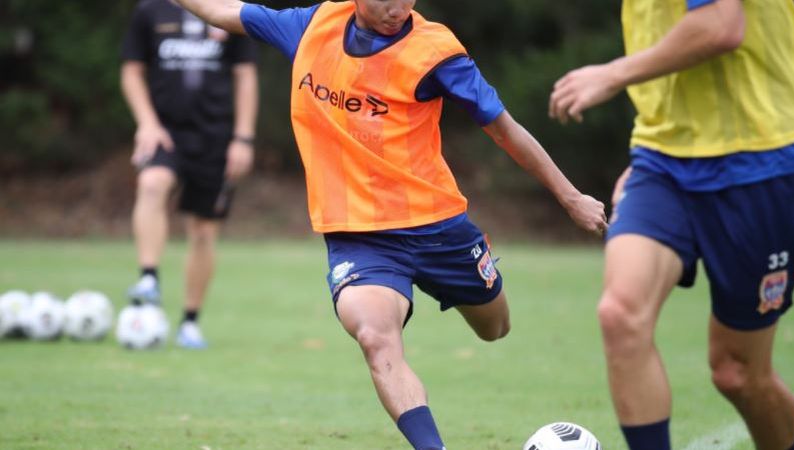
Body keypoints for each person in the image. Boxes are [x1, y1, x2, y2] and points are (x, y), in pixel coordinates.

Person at [171, 0, 607, 448]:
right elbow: (223, 10)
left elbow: (504, 129)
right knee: (376, 337)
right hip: (359, 235)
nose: (399, 7)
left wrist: (571, 198)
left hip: (437, 226)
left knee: (495, 327)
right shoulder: (312, 27)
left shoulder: (435, 52)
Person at [549, 0, 794, 449]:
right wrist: (651, 146)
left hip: (763, 157)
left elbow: (722, 25)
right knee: (620, 315)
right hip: (665, 158)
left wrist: (611, 74)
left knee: (738, 373)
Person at [120, 0, 259, 349]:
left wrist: (243, 137)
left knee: (202, 231)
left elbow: (245, 76)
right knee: (152, 183)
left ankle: (190, 323)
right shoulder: (149, 12)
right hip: (165, 132)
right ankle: (149, 277)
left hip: (216, 138)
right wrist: (147, 124)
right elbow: (131, 71)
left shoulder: (229, 10)